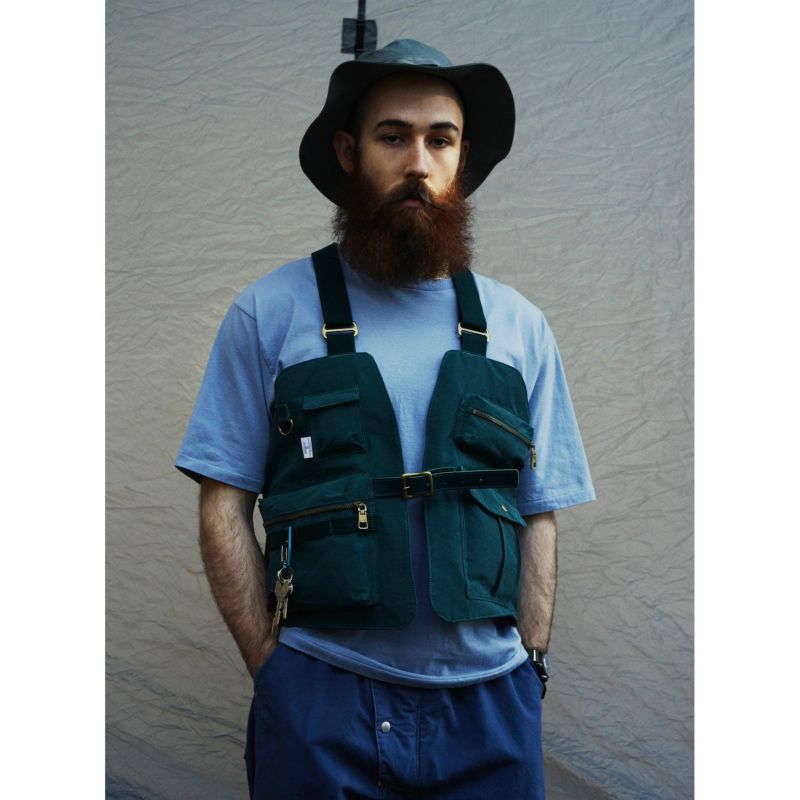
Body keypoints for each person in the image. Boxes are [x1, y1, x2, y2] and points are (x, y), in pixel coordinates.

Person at [176, 39, 595, 800]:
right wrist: (272, 669)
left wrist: (530, 668)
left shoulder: (521, 328)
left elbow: (540, 511)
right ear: (349, 153)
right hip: (321, 697)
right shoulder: (269, 312)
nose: (418, 163)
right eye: (393, 137)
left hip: (490, 707)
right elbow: (223, 503)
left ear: (461, 159)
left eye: (441, 140)